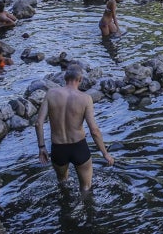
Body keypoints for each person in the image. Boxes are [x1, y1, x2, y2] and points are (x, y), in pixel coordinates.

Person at [35, 64, 115, 198]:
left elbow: (38, 123)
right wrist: (105, 153)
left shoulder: (51, 94)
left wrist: (42, 147)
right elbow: (94, 130)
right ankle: (87, 214)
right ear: (81, 79)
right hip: (79, 147)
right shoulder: (85, 99)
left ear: (65, 77)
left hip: (58, 149)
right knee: (86, 188)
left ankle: (66, 210)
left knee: (62, 183)